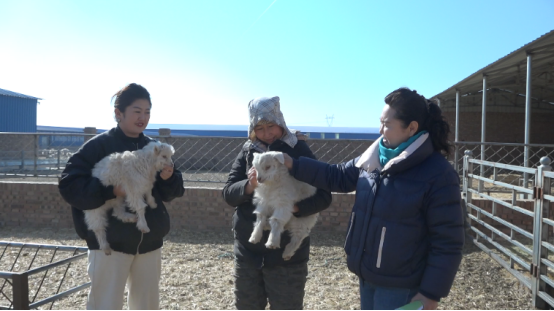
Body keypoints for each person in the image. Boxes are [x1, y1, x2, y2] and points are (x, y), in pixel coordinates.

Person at [280, 88, 465, 310]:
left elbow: (447, 241)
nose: (380, 130)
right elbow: (336, 176)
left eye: (387, 124)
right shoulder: (374, 158)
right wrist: (293, 164)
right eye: (380, 122)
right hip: (368, 274)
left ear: (412, 128)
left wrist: (430, 294)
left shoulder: (438, 175)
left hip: (401, 286)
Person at [58, 83, 185, 310]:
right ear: (119, 113)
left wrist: (169, 177)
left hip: (149, 242)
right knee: (105, 304)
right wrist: (111, 191)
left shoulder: (154, 147)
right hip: (110, 243)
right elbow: (69, 184)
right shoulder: (98, 146)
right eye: (137, 111)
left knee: (146, 305)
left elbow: (174, 191)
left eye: (147, 112)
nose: (143, 117)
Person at [222, 96, 332, 310]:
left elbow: (324, 195)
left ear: (280, 122)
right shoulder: (247, 151)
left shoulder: (297, 150)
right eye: (260, 128)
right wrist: (249, 185)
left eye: (271, 126)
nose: (267, 133)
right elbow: (228, 193)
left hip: (286, 259)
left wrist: (295, 208)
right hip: (249, 251)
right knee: (247, 305)